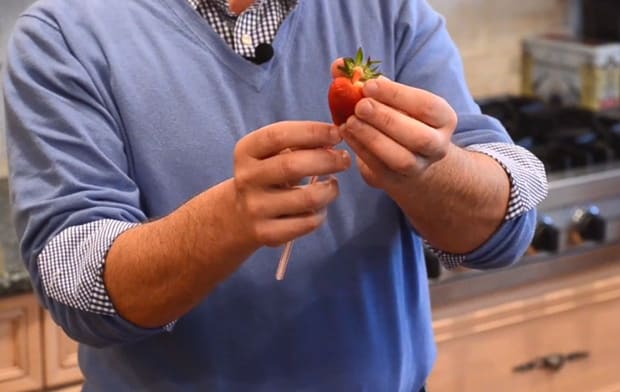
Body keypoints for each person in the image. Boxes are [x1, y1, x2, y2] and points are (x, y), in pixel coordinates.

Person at [2, 0, 548, 390]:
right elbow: (75, 288)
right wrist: (228, 221)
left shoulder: (391, 12)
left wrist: (431, 173)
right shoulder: (63, 34)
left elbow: (504, 228)